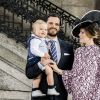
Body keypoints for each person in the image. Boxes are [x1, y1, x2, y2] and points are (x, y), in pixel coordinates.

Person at [25, 13, 74, 100]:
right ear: (45, 24)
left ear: (59, 27)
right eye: (50, 23)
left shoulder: (68, 47)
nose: (53, 26)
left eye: (56, 24)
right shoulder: (36, 44)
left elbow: (72, 73)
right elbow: (29, 73)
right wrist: (41, 64)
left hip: (61, 96)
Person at [50, 20, 100, 100]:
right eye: (80, 32)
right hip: (77, 95)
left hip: (93, 96)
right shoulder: (78, 51)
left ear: (90, 34)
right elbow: (74, 73)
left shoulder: (98, 52)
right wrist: (57, 69)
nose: (79, 34)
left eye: (82, 32)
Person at [27, 19, 60, 97]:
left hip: (38, 60)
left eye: (45, 29)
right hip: (36, 60)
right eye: (41, 29)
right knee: (49, 71)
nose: (43, 31)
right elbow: (33, 50)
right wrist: (43, 55)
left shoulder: (42, 40)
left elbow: (42, 47)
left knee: (38, 76)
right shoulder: (35, 40)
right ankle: (51, 88)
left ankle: (35, 90)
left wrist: (47, 47)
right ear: (34, 31)